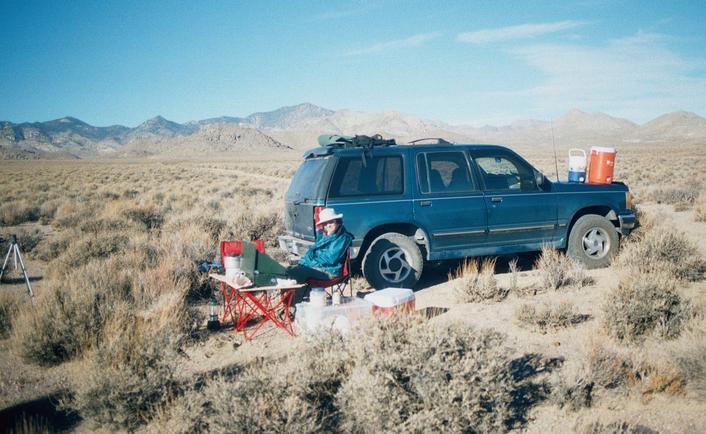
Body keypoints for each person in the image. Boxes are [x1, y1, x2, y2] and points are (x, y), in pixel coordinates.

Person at [286, 207, 352, 284]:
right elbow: (311, 252)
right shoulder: (324, 236)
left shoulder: (342, 238)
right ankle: (297, 294)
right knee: (289, 270)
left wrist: (308, 263)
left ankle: (298, 295)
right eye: (325, 223)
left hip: (330, 272)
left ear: (337, 222)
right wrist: (304, 261)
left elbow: (330, 259)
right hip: (319, 267)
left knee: (296, 272)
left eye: (331, 222)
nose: (328, 225)